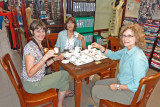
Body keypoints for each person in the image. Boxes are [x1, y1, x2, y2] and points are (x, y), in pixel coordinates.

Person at [91, 23, 149, 106]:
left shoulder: (137, 58)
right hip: (122, 81)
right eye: (124, 35)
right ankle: (102, 104)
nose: (125, 38)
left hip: (131, 94)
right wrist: (100, 47)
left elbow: (138, 85)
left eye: (129, 36)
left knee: (95, 90)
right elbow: (114, 55)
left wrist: (118, 87)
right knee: (97, 84)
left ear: (137, 37)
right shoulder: (127, 49)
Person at [21, 20, 69, 107]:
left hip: (38, 78)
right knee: (64, 75)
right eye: (38, 31)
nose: (41, 34)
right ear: (32, 32)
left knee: (64, 77)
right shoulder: (30, 48)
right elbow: (30, 73)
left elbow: (42, 65)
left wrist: (55, 59)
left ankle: (63, 91)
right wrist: (45, 57)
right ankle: (60, 102)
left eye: (43, 31)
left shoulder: (38, 45)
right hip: (33, 84)